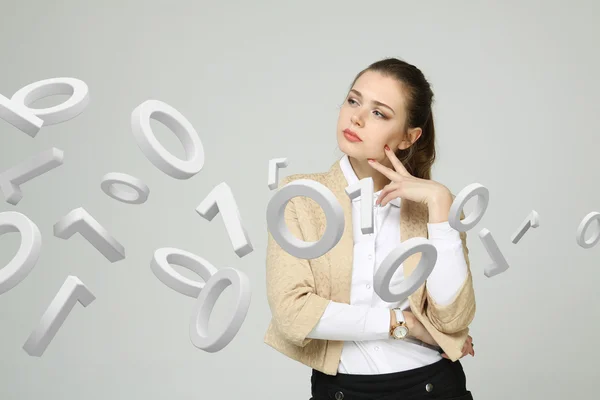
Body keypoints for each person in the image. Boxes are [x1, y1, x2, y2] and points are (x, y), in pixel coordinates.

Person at [264, 57, 476, 400]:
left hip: (434, 386)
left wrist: (439, 204)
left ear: (409, 138)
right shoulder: (300, 197)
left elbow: (452, 322)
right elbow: (292, 313)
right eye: (353, 100)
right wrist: (403, 325)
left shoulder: (432, 207)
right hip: (342, 390)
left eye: (379, 113)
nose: (356, 118)